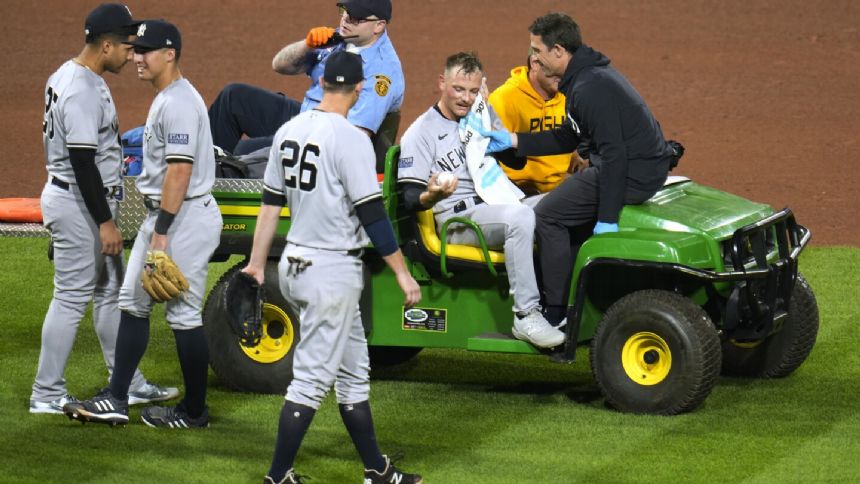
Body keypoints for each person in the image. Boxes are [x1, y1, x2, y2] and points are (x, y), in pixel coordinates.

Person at [241, 51, 422, 484]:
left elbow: (269, 206)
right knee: (310, 380)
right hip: (332, 274)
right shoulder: (350, 138)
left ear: (322, 83)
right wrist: (400, 271)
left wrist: (254, 264)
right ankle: (277, 475)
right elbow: (372, 214)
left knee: (354, 369)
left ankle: (376, 470)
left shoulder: (288, 130)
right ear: (359, 89)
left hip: (295, 265)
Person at [476, 13, 682, 327]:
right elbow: (567, 136)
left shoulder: (588, 88)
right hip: (639, 168)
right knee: (567, 213)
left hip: (630, 174)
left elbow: (614, 156)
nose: (534, 58)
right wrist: (514, 140)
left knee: (547, 214)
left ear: (558, 51)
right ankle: (574, 300)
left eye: (537, 50)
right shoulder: (588, 76)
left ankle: (556, 312)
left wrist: (607, 218)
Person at [64, 19, 223, 428]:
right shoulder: (167, 97)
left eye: (145, 50)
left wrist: (163, 234)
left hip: (182, 218)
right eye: (134, 50)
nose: (136, 57)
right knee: (132, 303)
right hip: (169, 216)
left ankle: (194, 412)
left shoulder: (180, 103)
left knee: (183, 315)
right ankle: (117, 397)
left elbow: (179, 173)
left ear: (169, 54)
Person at [31, 3, 178, 416]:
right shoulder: (79, 88)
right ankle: (46, 393)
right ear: (106, 44)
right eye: (127, 45)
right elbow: (81, 162)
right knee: (71, 298)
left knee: (110, 296)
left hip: (80, 202)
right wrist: (105, 223)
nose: (132, 53)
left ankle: (126, 383)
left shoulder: (74, 75)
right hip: (79, 203)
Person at [397, 52, 565, 349]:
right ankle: (526, 315)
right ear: (441, 83)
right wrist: (432, 195)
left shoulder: (479, 115)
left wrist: (489, 118)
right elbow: (409, 197)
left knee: (563, 202)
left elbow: (515, 160)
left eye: (473, 91)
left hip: (496, 204)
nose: (465, 98)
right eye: (458, 89)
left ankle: (562, 304)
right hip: (458, 221)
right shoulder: (420, 133)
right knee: (521, 219)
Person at [208, 0, 403, 156]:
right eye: (344, 10)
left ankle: (218, 182)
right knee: (233, 98)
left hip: (324, 142)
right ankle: (205, 169)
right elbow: (280, 66)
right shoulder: (340, 37)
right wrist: (307, 45)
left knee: (244, 151)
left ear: (378, 26)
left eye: (355, 18)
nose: (345, 19)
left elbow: (352, 138)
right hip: (306, 117)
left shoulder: (382, 72)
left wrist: (298, 137)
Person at [488, 54, 587, 195]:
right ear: (535, 63)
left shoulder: (570, 96)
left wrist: (577, 162)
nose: (563, 74)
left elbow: (567, 146)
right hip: (516, 191)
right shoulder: (503, 99)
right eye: (556, 67)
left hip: (558, 190)